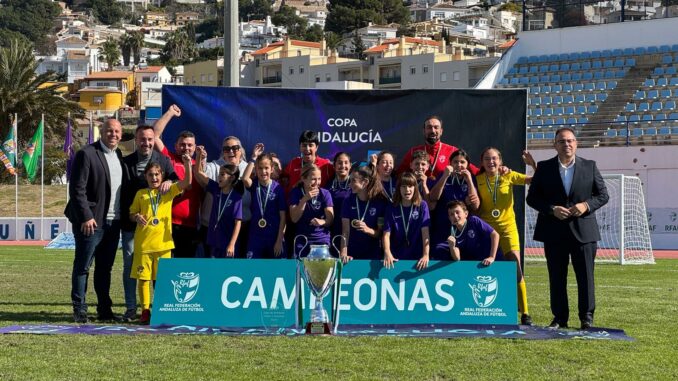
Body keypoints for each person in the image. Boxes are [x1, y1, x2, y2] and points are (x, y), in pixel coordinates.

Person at [526, 127, 609, 330]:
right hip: (553, 232)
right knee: (556, 276)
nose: (567, 144)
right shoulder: (544, 168)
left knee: (586, 276)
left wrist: (586, 205)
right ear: (555, 145)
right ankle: (559, 318)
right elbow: (532, 198)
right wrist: (552, 209)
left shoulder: (590, 166)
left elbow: (603, 195)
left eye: (570, 141)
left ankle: (586, 317)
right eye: (562, 141)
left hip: (584, 232)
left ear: (576, 143)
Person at [65, 119, 124, 323]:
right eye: (109, 131)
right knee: (83, 267)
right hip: (91, 223)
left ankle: (104, 310)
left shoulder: (119, 155)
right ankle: (80, 310)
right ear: (102, 132)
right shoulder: (86, 153)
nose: (113, 134)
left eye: (117, 131)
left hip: (113, 223)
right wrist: (86, 216)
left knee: (104, 269)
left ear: (121, 134)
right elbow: (76, 189)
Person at [120, 125, 177, 322]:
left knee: (158, 274)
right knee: (132, 270)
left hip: (158, 232)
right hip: (132, 225)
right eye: (142, 139)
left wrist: (170, 181)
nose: (146, 143)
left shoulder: (163, 160)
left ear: (154, 140)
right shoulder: (125, 161)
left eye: (150, 139)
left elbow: (179, 182)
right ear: (136, 140)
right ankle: (131, 309)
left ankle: (158, 308)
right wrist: (133, 215)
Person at [129, 155, 193, 324]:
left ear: (162, 175)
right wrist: (136, 217)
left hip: (163, 245)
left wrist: (187, 164)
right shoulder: (140, 194)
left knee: (162, 280)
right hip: (143, 244)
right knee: (143, 280)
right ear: (146, 177)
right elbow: (131, 213)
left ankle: (161, 308)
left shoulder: (168, 191)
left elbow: (186, 182)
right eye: (151, 175)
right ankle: (145, 310)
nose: (154, 178)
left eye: (157, 174)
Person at [476, 146, 536, 326]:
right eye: (487, 159)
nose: (491, 162)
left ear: (500, 161)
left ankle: (525, 313)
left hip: (508, 229)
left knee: (515, 269)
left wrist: (532, 164)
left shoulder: (508, 175)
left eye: (494, 158)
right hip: (486, 230)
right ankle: (485, 310)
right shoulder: (477, 178)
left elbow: (535, 180)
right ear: (482, 162)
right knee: (484, 268)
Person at [153, 104, 202, 258]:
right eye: (182, 144)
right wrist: (170, 113)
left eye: (189, 145)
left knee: (184, 270)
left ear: (194, 148)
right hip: (167, 223)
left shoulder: (199, 168)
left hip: (190, 225)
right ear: (176, 146)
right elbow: (153, 136)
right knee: (163, 267)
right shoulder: (168, 159)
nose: (185, 148)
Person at [199, 136, 251, 258]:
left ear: (241, 151)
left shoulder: (248, 167)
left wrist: (253, 159)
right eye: (226, 149)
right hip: (217, 230)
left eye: (235, 148)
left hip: (242, 227)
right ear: (222, 152)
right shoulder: (216, 166)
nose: (231, 151)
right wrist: (201, 159)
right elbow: (201, 173)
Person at [428, 149, 480, 258]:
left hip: (463, 229)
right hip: (443, 228)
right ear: (450, 163)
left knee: (466, 258)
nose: (459, 165)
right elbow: (433, 198)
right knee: (439, 254)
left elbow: (475, 206)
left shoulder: (471, 178)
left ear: (468, 165)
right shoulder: (443, 175)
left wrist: (469, 180)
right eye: (455, 162)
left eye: (462, 162)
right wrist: (445, 176)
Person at [396, 115, 479, 178]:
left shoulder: (452, 151)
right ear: (424, 131)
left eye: (436, 127)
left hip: (444, 198)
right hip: (420, 197)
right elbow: (399, 175)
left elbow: (475, 171)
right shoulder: (413, 151)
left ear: (441, 131)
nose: (432, 131)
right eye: (429, 127)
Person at [242, 144, 287, 258]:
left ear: (272, 169)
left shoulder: (278, 189)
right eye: (260, 168)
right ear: (256, 169)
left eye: (266, 168)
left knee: (277, 270)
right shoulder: (254, 184)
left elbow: (283, 217)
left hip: (274, 236)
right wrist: (253, 158)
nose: (263, 171)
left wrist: (279, 240)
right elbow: (244, 179)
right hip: (256, 236)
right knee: (252, 269)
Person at [382, 172, 431, 270]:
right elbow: (386, 234)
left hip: (417, 257)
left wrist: (426, 255)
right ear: (399, 189)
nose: (407, 190)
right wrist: (387, 253)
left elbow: (425, 233)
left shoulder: (422, 205)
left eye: (410, 186)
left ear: (415, 188)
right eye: (403, 186)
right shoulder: (392, 207)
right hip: (395, 257)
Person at [340, 164, 386, 262]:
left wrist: (367, 229)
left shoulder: (379, 203)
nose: (349, 184)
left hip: (373, 257)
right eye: (350, 180)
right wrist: (343, 254)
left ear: (365, 182)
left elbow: (380, 233)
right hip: (352, 256)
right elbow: (345, 231)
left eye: (353, 181)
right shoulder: (348, 201)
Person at [289, 164, 334, 257]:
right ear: (303, 179)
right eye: (313, 179)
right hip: (302, 240)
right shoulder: (296, 193)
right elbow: (294, 218)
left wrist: (322, 221)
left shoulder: (325, 193)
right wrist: (304, 199)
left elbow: (330, 220)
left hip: (321, 239)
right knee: (300, 270)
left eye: (319, 179)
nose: (317, 182)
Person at [281, 130, 334, 195]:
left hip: (318, 204)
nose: (307, 148)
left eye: (310, 145)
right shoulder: (293, 164)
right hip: (296, 204)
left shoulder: (326, 165)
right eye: (304, 145)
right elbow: (280, 179)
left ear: (316, 147)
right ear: (300, 147)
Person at [326, 152, 352, 240]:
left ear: (350, 165)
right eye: (339, 163)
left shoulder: (356, 185)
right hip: (332, 231)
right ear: (334, 166)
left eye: (346, 162)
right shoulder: (327, 186)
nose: (343, 166)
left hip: (352, 232)